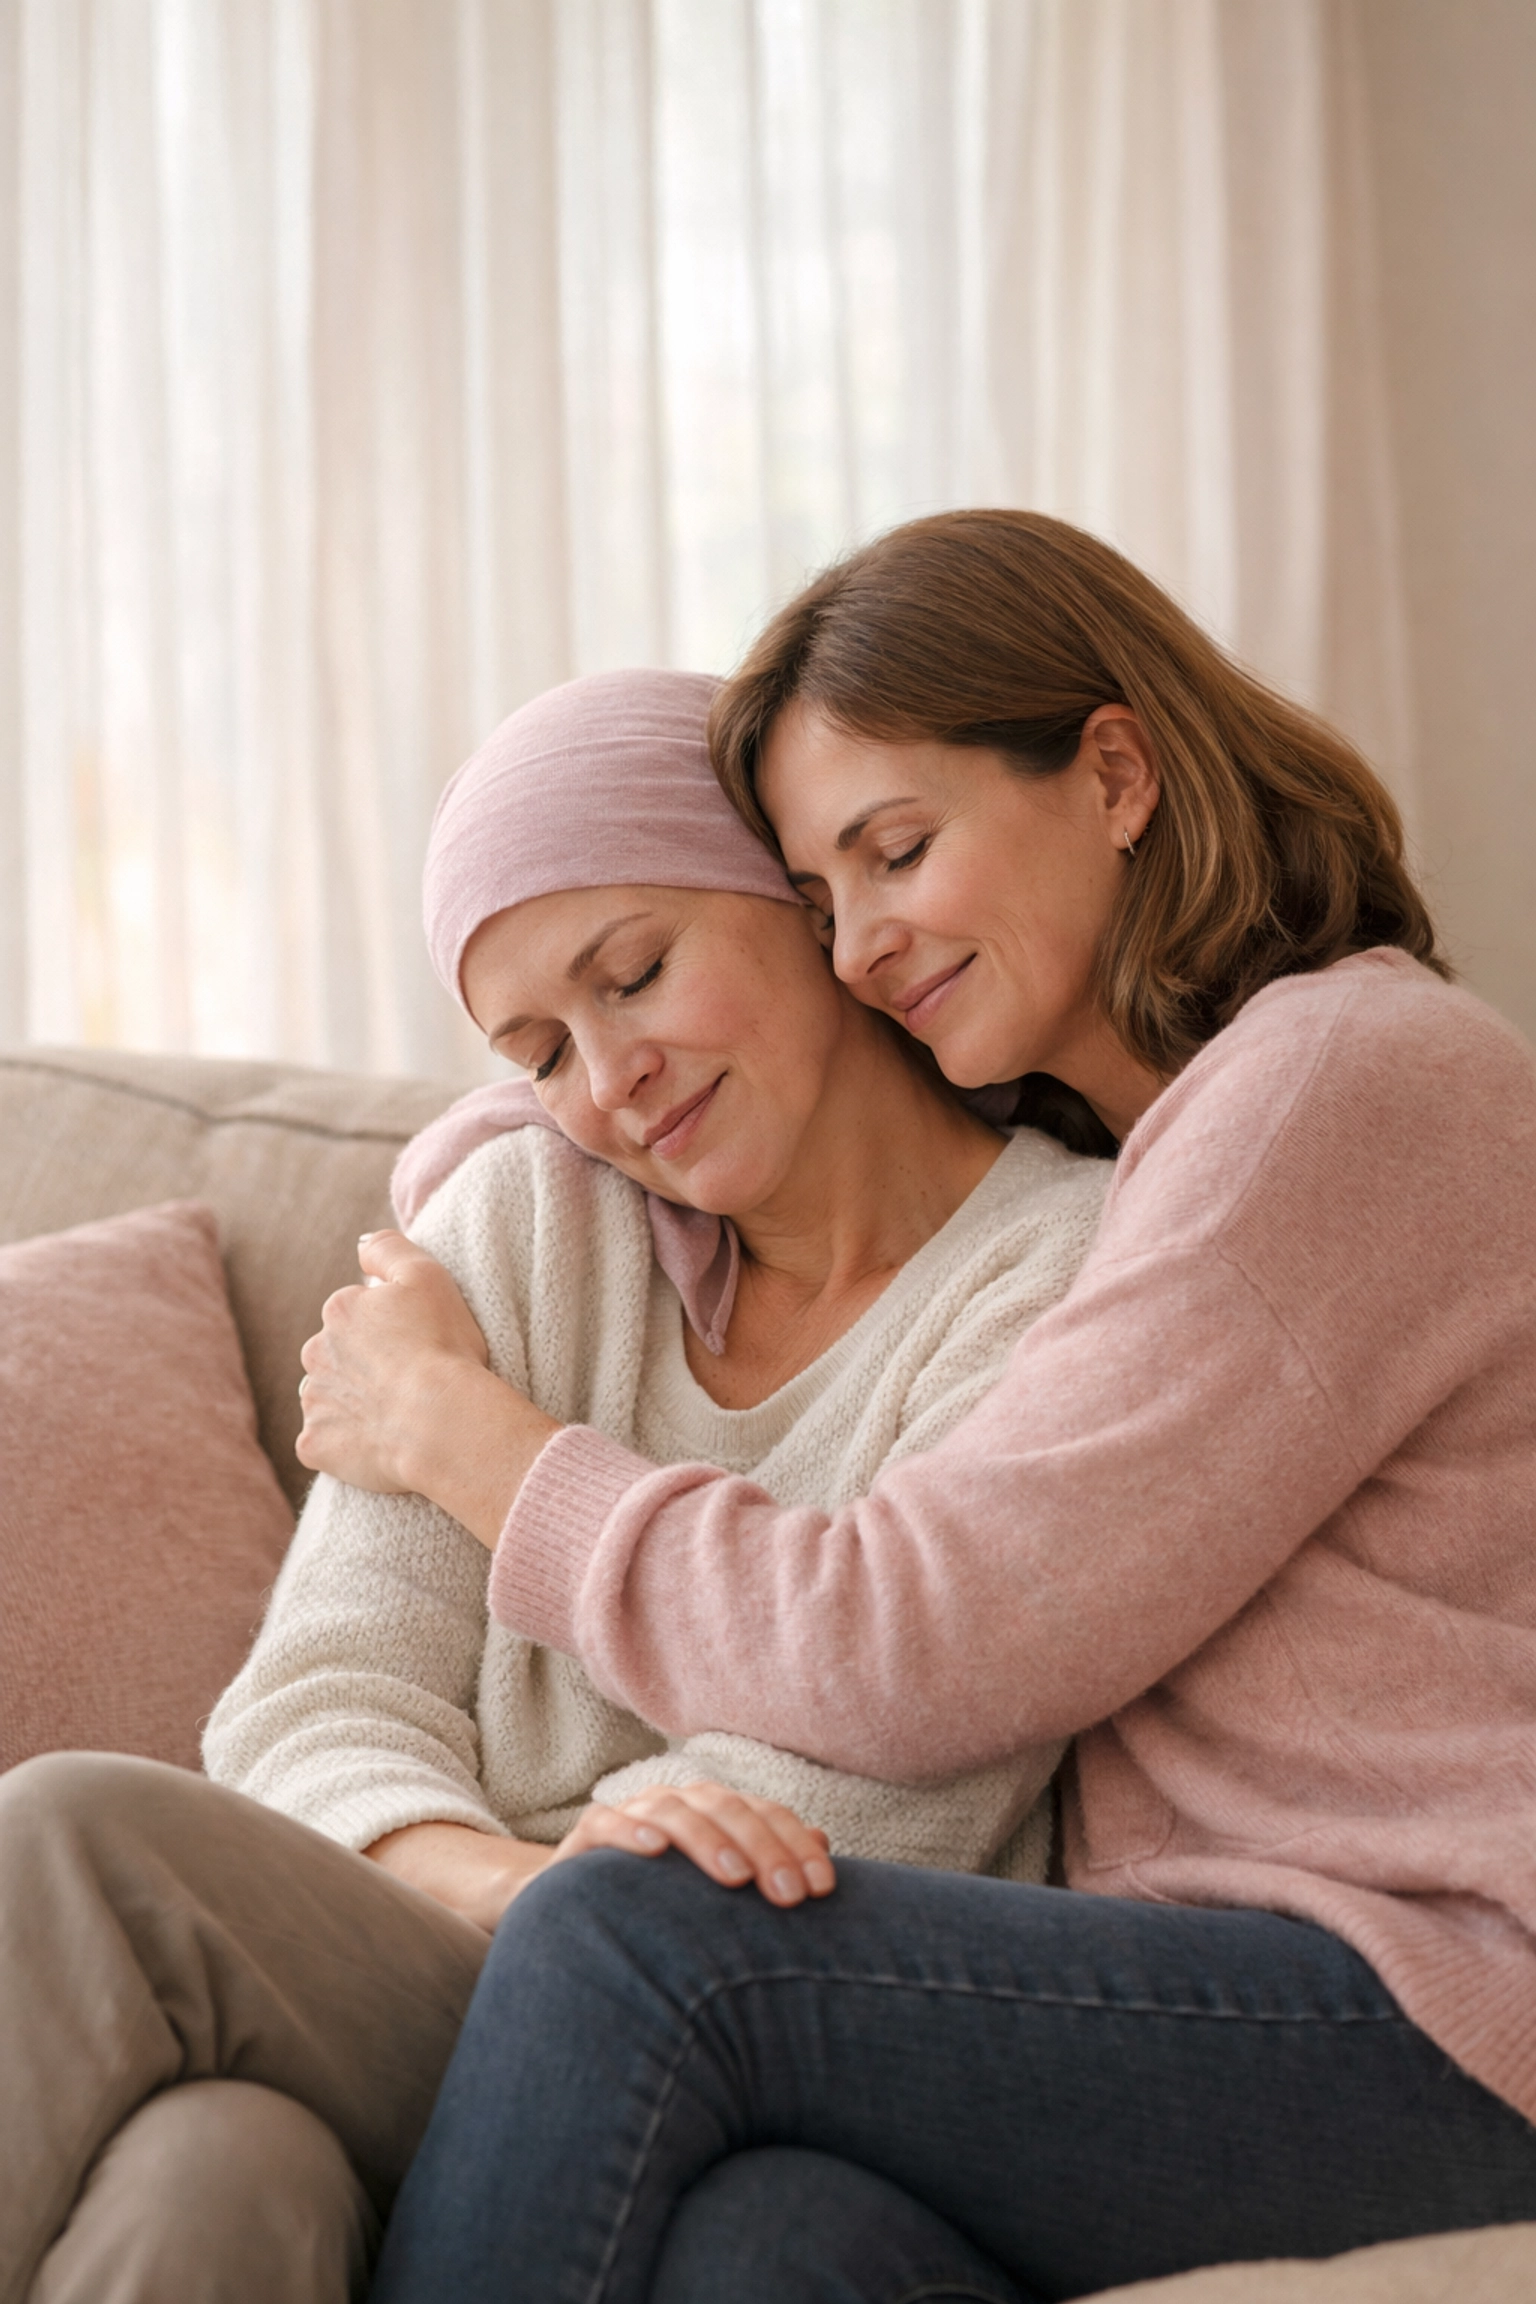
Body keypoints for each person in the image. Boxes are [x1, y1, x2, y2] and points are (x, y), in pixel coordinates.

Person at [308, 513, 1536, 2304]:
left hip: (1434, 1999)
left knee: (641, 1943)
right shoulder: (1189, 1131)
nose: (868, 945)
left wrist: (472, 1440)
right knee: (770, 2250)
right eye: (822, 904)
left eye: (899, 853)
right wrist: (513, 1140)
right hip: (1205, 1974)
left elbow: (910, 1637)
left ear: (1114, 772)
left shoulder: (1331, 1087)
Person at [0, 668, 1111, 2304]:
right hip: (466, 1971)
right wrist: (508, 1887)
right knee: (215, 2169)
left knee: (76, 1836)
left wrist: (588, 1920)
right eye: (539, 1046)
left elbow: (898, 1760)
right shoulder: (527, 1224)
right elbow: (308, 1703)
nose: (611, 1080)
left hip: (749, 2025)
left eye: (637, 973)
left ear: (802, 905)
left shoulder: (1061, 1270)